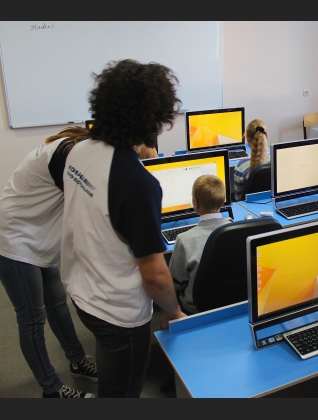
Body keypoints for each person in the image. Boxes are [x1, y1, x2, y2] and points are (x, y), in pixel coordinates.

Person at [60, 59, 186, 398]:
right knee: (121, 393)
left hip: (82, 287)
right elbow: (155, 274)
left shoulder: (79, 150)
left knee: (110, 373)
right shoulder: (137, 182)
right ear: (152, 119)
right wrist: (172, 311)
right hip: (119, 313)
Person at [0, 127, 97, 398]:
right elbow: (91, 202)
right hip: (15, 238)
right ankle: (51, 389)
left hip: (39, 235)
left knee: (57, 304)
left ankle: (77, 361)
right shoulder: (67, 154)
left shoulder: (70, 148)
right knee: (32, 319)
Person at [169, 175, 233, 314]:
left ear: (195, 203)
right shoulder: (236, 231)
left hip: (196, 308)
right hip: (232, 302)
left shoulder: (184, 240)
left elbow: (175, 282)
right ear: (223, 200)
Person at [233, 119, 269, 201]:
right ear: (266, 136)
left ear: (247, 138)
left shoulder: (240, 166)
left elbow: (238, 198)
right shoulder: (274, 160)